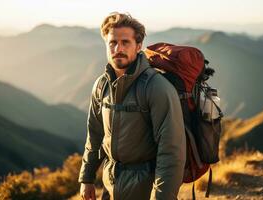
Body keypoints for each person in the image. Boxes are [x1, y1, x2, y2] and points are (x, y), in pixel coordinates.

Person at [79, 12, 186, 200]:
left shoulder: (157, 87)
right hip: (110, 185)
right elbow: (94, 135)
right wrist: (86, 178)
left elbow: (171, 151)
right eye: (112, 43)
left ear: (138, 46)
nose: (117, 48)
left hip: (146, 188)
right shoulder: (101, 85)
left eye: (125, 42)